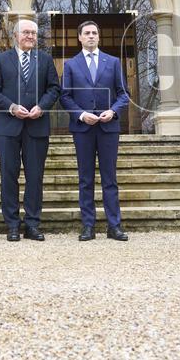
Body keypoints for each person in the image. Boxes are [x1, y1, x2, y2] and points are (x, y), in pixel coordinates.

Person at [0, 19, 61, 242]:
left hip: (37, 126)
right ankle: (12, 224)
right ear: (15, 36)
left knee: (35, 177)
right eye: (26, 32)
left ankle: (32, 224)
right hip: (8, 128)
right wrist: (11, 107)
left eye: (33, 33)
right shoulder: (1, 59)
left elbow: (54, 88)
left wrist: (42, 106)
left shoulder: (46, 59)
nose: (30, 36)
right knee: (8, 176)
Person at [59, 20, 131, 241]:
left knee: (110, 179)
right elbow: (65, 96)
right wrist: (81, 114)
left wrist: (114, 111)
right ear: (79, 37)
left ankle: (114, 226)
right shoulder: (70, 65)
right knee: (85, 179)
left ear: (98, 37)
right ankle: (88, 226)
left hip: (108, 127)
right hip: (83, 129)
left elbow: (124, 94)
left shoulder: (114, 62)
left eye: (94, 33)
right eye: (86, 33)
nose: (91, 36)